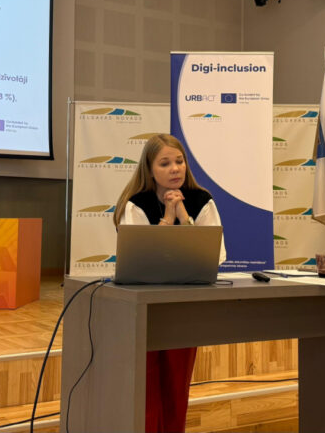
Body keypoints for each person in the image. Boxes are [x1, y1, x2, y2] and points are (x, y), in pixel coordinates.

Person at [113, 133, 224, 433]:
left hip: (184, 307)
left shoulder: (201, 200)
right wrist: (167, 217)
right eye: (165, 163)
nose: (175, 169)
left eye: (179, 161)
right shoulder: (136, 204)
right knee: (146, 388)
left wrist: (183, 214)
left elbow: (214, 254)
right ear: (150, 170)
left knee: (177, 387)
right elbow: (140, 259)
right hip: (143, 308)